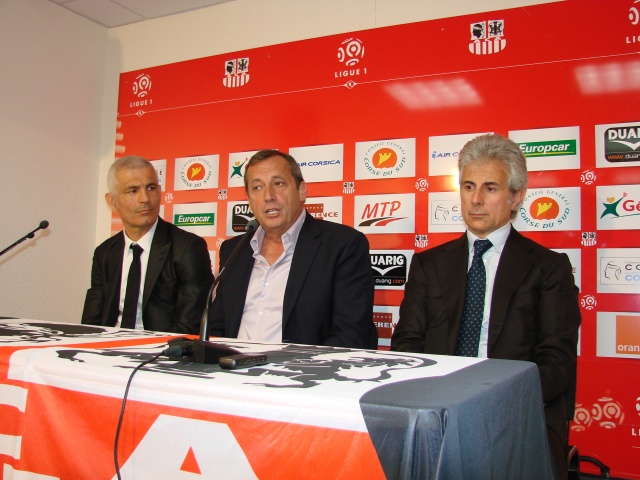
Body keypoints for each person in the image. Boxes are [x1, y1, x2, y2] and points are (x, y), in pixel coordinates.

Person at [391, 134, 580, 478]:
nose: (476, 200)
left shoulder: (548, 267)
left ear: (515, 196)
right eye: (468, 187)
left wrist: (491, 402)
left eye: (490, 188)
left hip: (516, 413)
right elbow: (407, 344)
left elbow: (557, 362)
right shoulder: (428, 264)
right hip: (436, 410)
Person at [209, 149, 377, 349]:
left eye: (278, 184)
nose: (268, 196)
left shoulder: (343, 245)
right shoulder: (233, 250)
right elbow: (216, 327)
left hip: (303, 367)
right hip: (232, 365)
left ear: (302, 190)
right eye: (257, 187)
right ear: (249, 199)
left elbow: (351, 334)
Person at [82, 156, 214, 333]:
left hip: (162, 347)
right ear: (112, 202)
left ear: (159, 191)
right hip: (109, 344)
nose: (145, 198)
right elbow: (91, 321)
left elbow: (189, 325)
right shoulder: (104, 252)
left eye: (151, 188)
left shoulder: (188, 248)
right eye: (133, 191)